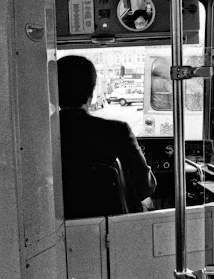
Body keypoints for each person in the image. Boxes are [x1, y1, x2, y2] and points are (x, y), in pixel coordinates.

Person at [57, 55, 156, 219]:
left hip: (57, 226)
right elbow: (145, 187)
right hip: (112, 227)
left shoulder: (40, 137)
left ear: (54, 88)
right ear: (92, 89)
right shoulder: (117, 131)